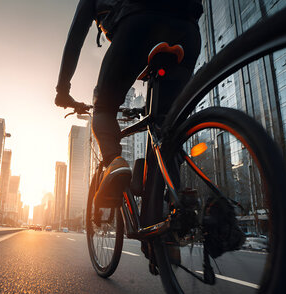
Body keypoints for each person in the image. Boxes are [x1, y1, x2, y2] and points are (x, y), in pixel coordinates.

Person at [55, 0, 203, 208]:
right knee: (165, 125)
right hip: (188, 32)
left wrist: (62, 91)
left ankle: (114, 163)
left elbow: (75, 38)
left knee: (104, 108)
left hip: (139, 23)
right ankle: (174, 208)